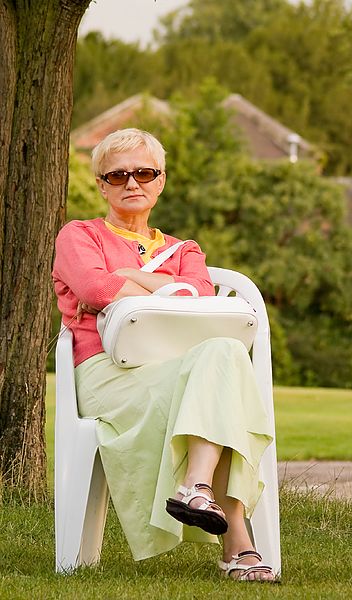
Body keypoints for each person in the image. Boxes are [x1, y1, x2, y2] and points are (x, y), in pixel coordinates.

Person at [52, 128, 276, 582]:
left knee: (225, 354)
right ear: (101, 184)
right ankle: (238, 544)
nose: (131, 183)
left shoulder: (184, 249)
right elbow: (97, 289)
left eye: (144, 172)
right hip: (109, 373)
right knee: (224, 386)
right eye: (117, 175)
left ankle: (195, 486)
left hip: (185, 370)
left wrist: (130, 275)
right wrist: (165, 288)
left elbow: (199, 293)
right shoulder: (80, 236)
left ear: (161, 181)